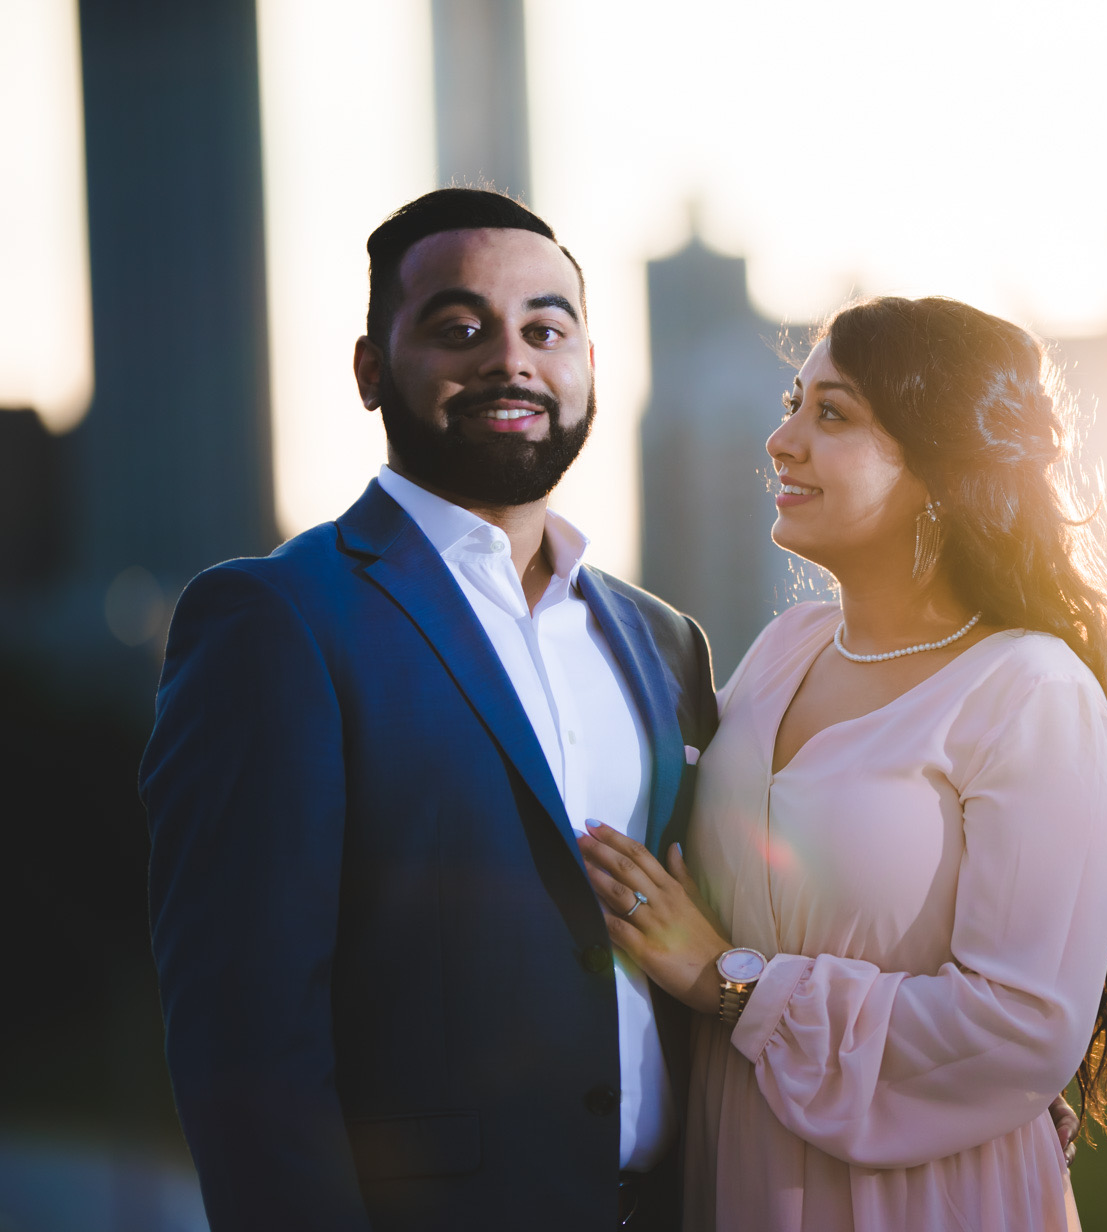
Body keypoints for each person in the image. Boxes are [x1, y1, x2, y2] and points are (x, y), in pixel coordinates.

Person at [141, 188, 716, 1231]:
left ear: (587, 362)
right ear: (371, 369)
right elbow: (244, 1038)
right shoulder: (277, 619)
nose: (511, 359)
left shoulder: (664, 639)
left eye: (546, 327)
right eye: (459, 327)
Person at [578, 296, 1107, 1230]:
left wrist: (728, 982)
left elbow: (1022, 1026)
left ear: (941, 467)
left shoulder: (1032, 693)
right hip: (734, 1173)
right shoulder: (783, 650)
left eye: (834, 414)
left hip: (922, 1197)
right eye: (794, 402)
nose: (782, 440)